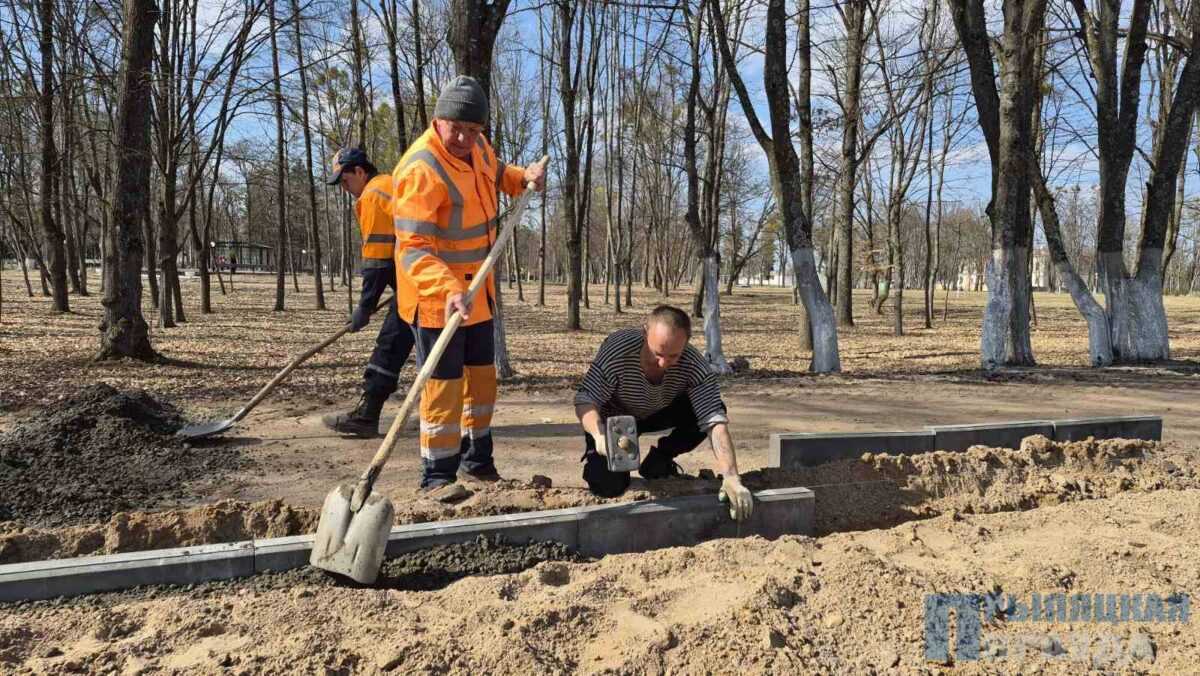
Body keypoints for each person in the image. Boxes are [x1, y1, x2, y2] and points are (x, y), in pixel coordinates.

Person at [391, 75, 546, 489]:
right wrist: (448, 288)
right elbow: (413, 249)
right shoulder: (421, 169)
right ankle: (438, 477)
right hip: (437, 299)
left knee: (481, 380)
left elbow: (498, 173)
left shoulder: (478, 147)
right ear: (437, 120)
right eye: (455, 128)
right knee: (443, 388)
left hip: (478, 292)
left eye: (473, 130)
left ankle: (477, 462)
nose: (463, 138)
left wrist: (523, 178)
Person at [574, 305, 754, 521]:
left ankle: (659, 459)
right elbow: (586, 400)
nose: (663, 363)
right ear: (645, 333)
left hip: (657, 412)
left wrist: (731, 476)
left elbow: (714, 421)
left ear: (686, 343)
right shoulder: (618, 350)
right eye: (657, 353)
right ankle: (600, 464)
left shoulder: (694, 365)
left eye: (673, 356)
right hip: (613, 419)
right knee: (608, 485)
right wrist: (598, 434)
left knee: (714, 409)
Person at [322, 147, 416, 438]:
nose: (344, 188)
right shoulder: (388, 184)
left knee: (391, 344)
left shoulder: (374, 195)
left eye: (345, 180)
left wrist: (364, 307)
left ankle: (367, 416)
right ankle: (368, 414)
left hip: (421, 285)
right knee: (397, 343)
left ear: (360, 172)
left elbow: (377, 262)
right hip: (422, 281)